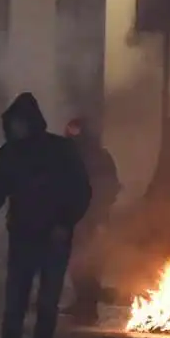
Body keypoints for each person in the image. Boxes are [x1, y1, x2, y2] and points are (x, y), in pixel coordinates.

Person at [0, 93, 92, 338]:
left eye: (19, 123)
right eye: (12, 124)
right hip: (23, 237)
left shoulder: (60, 150)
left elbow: (80, 190)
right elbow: (0, 186)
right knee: (14, 305)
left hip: (53, 239)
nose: (15, 129)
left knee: (46, 305)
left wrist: (64, 223)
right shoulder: (9, 154)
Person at [61, 117, 121, 325]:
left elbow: (109, 187)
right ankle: (82, 301)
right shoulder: (72, 156)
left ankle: (88, 303)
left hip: (89, 217)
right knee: (78, 259)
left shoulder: (95, 158)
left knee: (89, 260)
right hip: (77, 216)